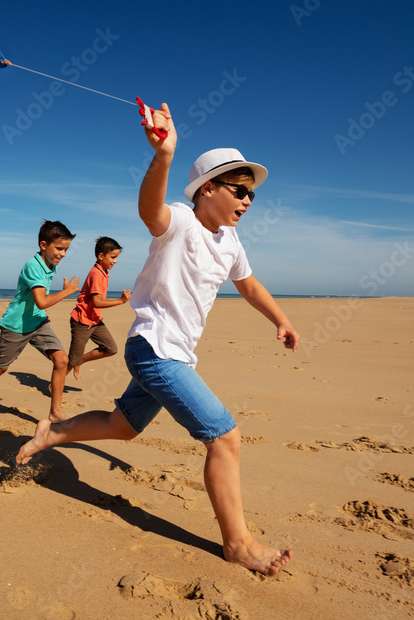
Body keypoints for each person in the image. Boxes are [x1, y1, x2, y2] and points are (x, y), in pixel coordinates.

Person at [17, 104, 300, 575]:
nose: (248, 200)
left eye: (252, 193)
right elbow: (150, 209)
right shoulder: (181, 222)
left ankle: (53, 431)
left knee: (122, 426)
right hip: (153, 348)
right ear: (207, 189)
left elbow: (249, 285)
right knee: (225, 437)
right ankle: (239, 544)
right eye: (239, 189)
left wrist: (281, 319)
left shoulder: (230, 242)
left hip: (177, 355)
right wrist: (164, 154)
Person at [0, 220, 80, 427]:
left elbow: (39, 302)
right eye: (59, 248)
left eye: (66, 250)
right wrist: (66, 292)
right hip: (16, 325)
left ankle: (55, 412)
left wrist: (43, 312)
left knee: (62, 360)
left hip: (38, 322)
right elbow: (42, 300)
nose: (63, 254)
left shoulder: (50, 265)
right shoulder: (32, 267)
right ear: (43, 245)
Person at [67, 236, 131, 381]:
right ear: (101, 256)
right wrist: (120, 301)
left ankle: (80, 360)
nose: (116, 261)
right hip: (82, 322)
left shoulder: (103, 272)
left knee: (111, 348)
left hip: (94, 321)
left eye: (116, 257)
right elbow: (97, 302)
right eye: (113, 257)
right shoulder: (96, 274)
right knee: (71, 361)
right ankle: (54, 385)